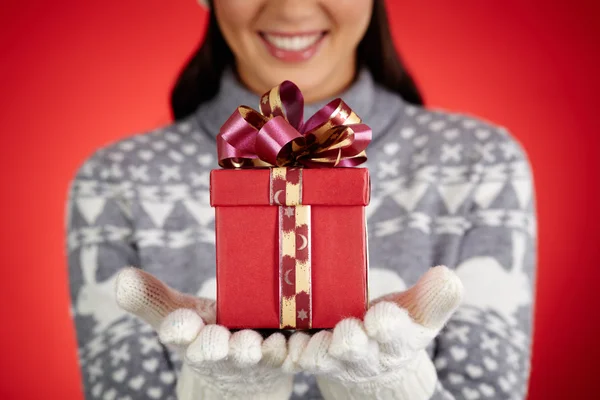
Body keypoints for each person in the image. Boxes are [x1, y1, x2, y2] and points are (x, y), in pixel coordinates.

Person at [66, 0, 537, 399]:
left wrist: (389, 386)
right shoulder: (116, 179)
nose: (291, 8)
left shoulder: (479, 164)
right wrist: (221, 391)